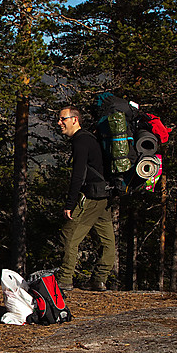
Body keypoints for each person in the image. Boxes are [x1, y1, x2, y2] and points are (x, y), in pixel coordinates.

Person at [55, 106, 115, 292]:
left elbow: (78, 175)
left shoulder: (81, 141)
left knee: (69, 236)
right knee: (108, 241)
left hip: (91, 197)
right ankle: (99, 279)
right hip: (104, 196)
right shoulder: (89, 139)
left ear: (75, 120)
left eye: (63, 119)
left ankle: (64, 280)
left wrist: (70, 204)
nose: (59, 123)